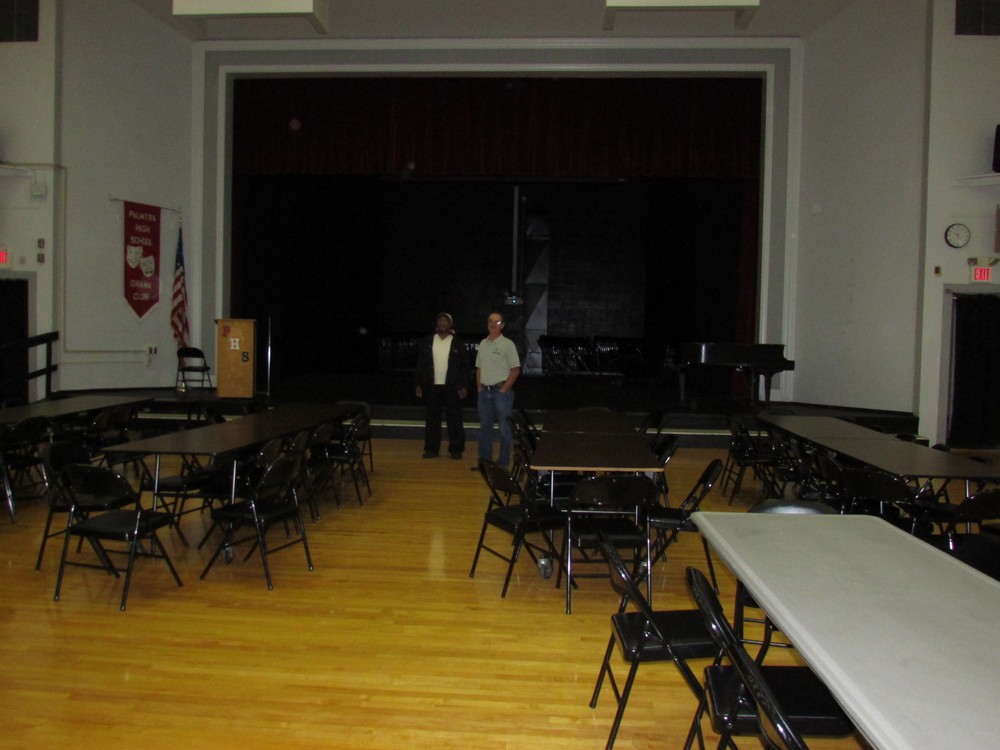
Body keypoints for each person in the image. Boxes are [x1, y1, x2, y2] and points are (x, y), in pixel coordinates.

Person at [414, 312, 470, 459]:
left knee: (455, 419)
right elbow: (421, 364)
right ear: (437, 323)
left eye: (446, 321)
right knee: (432, 419)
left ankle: (456, 449)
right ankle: (431, 449)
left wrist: (464, 385)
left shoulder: (458, 343)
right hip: (431, 386)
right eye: (440, 320)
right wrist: (418, 383)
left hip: (452, 386)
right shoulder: (428, 340)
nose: (442, 323)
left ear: (450, 324)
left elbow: (465, 366)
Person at [475, 311, 521, 468]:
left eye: (497, 322)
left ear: (503, 325)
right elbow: (479, 368)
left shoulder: (508, 344)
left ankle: (502, 463)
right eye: (490, 321)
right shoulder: (483, 344)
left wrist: (504, 389)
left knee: (504, 430)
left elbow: (516, 370)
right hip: (484, 392)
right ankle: (485, 462)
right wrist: (479, 388)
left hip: (501, 393)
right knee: (484, 429)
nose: (493, 324)